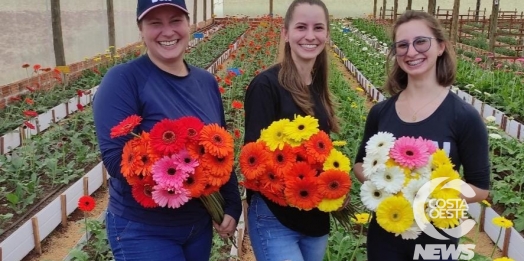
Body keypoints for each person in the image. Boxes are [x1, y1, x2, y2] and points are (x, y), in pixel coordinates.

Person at [92, 1, 242, 260]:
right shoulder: (123, 79)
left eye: (175, 20)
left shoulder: (205, 82)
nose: (167, 31)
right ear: (141, 29)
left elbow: (220, 149)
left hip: (199, 225)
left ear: (188, 24)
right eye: (155, 23)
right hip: (145, 229)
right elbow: (117, 161)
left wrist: (231, 202)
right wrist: (184, 163)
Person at [353, 10, 490, 261]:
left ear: (440, 47)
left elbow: (480, 189)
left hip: (437, 239)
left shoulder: (464, 117)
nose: (411, 52)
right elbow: (360, 164)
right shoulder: (381, 112)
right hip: (386, 235)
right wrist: (386, 184)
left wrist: (430, 194)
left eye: (421, 42)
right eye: (402, 45)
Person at [243, 0, 340, 260]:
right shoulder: (266, 86)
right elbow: (253, 160)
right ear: (286, 34)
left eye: (318, 27)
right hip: (276, 216)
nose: (310, 36)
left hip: (316, 215)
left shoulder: (318, 87)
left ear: (327, 34)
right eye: (301, 27)